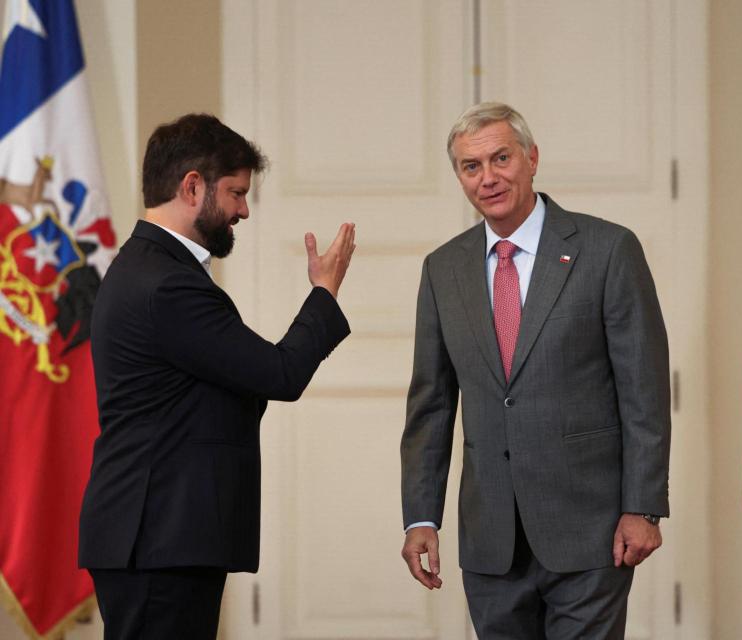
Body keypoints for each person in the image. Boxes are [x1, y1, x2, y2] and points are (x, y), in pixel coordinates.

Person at [78, 113, 355, 639]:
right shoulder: (168, 285)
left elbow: (229, 387)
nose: (243, 211)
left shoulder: (146, 269)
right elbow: (279, 373)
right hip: (159, 537)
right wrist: (324, 293)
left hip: (156, 536)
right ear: (192, 187)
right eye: (235, 193)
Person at [400, 102, 670, 639]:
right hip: (490, 541)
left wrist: (643, 505)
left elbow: (643, 389)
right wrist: (421, 517)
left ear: (532, 159)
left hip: (591, 532)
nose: (488, 177)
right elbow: (430, 406)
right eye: (470, 166)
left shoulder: (607, 249)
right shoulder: (442, 269)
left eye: (501, 158)